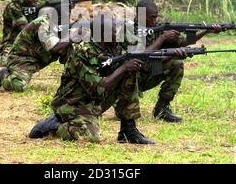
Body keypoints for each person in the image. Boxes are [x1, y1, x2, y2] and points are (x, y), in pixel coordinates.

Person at [29, 15, 155, 144]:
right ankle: (54, 125)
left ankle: (128, 130)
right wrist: (123, 68)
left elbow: (138, 51)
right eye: (113, 31)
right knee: (89, 137)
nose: (117, 34)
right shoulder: (82, 53)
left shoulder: (114, 47)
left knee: (130, 72)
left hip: (94, 102)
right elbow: (97, 89)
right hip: (72, 104)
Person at [132, 0, 223, 122]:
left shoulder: (158, 28)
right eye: (152, 17)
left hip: (148, 74)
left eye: (156, 17)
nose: (154, 20)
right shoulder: (130, 31)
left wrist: (206, 31)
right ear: (141, 16)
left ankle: (162, 108)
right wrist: (163, 38)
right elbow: (142, 59)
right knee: (127, 113)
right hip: (131, 80)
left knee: (177, 65)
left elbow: (184, 42)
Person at [0, 5, 77, 92]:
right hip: (22, 59)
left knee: (71, 48)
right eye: (64, 17)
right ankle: (3, 75)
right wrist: (72, 37)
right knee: (18, 85)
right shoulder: (42, 24)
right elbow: (54, 48)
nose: (67, 20)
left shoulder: (60, 26)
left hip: (40, 58)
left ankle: (74, 81)